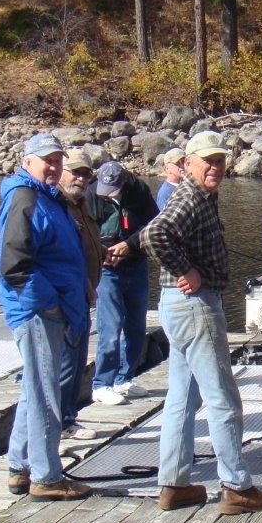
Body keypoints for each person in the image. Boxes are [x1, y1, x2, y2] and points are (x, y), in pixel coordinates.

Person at [130, 130, 262, 514]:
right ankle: (236, 486)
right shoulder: (191, 197)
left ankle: (174, 484)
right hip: (195, 307)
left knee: (182, 397)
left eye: (220, 160)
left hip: (179, 306)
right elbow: (154, 235)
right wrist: (186, 269)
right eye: (207, 160)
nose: (215, 167)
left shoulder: (200, 197)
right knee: (223, 398)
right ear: (188, 163)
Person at [0, 133, 91, 501]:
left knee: (34, 389)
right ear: (27, 162)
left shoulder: (49, 197)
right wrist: (49, 304)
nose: (53, 167)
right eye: (46, 160)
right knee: (46, 394)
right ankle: (47, 477)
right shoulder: (25, 197)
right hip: (37, 312)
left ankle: (19, 466)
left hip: (53, 306)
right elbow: (15, 265)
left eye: (57, 160)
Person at [88, 160, 159, 406]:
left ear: (124, 182)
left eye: (113, 189)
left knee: (136, 326)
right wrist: (102, 252)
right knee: (110, 326)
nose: (108, 194)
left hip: (135, 264)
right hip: (107, 269)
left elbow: (154, 225)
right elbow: (85, 231)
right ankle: (101, 384)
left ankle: (124, 378)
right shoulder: (91, 193)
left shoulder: (139, 192)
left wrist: (129, 245)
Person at [55, 150, 106, 440]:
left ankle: (67, 419)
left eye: (86, 174)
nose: (81, 178)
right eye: (75, 172)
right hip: (67, 298)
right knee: (64, 365)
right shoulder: (58, 205)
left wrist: (102, 253)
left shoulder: (82, 204)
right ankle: (58, 426)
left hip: (83, 298)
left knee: (76, 364)